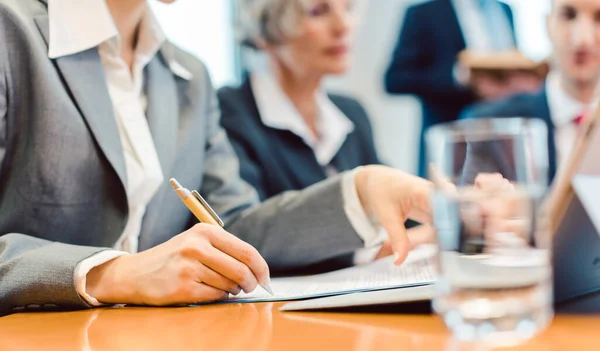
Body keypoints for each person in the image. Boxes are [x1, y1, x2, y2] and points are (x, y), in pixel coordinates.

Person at [0, 0, 432, 315]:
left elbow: (235, 228)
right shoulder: (9, 33)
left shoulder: (188, 77)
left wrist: (360, 192)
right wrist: (112, 274)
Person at [219, 0, 395, 269]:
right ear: (264, 31)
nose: (343, 26)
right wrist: (373, 249)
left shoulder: (351, 113)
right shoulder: (228, 113)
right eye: (318, 11)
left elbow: (397, 210)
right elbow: (246, 235)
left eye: (347, 8)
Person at [461, 0, 600, 185]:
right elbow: (467, 207)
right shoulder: (490, 129)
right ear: (547, 25)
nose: (583, 39)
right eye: (568, 15)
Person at [384, 0, 518, 177]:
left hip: (502, 141)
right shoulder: (424, 13)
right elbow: (395, 79)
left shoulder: (505, 10)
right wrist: (457, 76)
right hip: (449, 141)